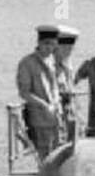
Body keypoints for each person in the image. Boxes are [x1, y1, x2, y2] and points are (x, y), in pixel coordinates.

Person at [16, 24, 61, 158]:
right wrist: (44, 105)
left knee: (57, 154)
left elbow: (55, 87)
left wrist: (56, 104)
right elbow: (24, 92)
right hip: (39, 118)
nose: (49, 48)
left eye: (53, 45)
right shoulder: (27, 63)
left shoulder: (52, 61)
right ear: (39, 43)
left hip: (55, 117)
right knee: (44, 156)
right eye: (46, 44)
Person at [54, 27, 79, 142]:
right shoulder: (47, 67)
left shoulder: (67, 67)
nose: (69, 51)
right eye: (64, 47)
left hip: (68, 118)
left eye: (71, 48)